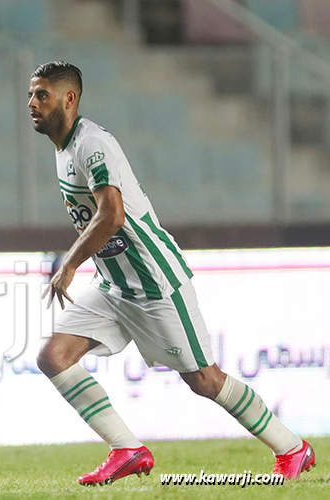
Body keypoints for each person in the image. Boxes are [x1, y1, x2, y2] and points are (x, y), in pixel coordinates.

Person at [29, 61, 315, 485]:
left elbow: (111, 216)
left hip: (154, 282)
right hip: (113, 284)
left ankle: (292, 447)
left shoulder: (92, 144)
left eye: (42, 94)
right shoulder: (63, 149)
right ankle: (127, 450)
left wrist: (69, 263)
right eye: (31, 95)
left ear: (69, 99)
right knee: (53, 356)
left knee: (204, 380)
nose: (32, 103)